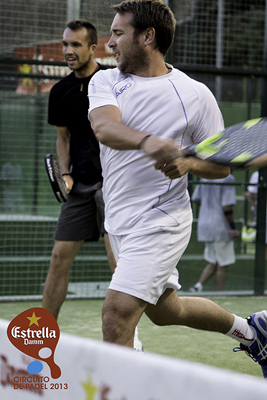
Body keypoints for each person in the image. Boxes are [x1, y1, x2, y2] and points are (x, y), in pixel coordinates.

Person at [88, 0, 267, 378]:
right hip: (119, 220)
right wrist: (149, 141)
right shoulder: (105, 80)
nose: (110, 43)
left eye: (119, 33)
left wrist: (190, 163)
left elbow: (221, 166)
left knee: (116, 314)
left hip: (162, 220)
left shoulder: (195, 94)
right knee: (167, 311)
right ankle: (254, 333)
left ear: (148, 37)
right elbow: (104, 128)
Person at [41, 19, 143, 351]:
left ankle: (131, 340)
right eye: (65, 44)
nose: (68, 51)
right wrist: (66, 174)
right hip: (79, 186)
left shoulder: (114, 82)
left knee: (119, 264)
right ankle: (40, 338)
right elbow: (63, 138)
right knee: (58, 258)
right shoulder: (59, 91)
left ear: (92, 47)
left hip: (114, 186)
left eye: (75, 45)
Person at [189, 175, 239, 292]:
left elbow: (196, 198)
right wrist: (233, 228)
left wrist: (208, 208)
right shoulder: (228, 178)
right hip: (220, 225)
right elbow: (227, 206)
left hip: (204, 224)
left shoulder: (204, 176)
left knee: (213, 260)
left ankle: (198, 286)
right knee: (223, 263)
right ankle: (218, 292)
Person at [244, 170, 267, 256]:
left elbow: (252, 195)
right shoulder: (257, 175)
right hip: (263, 216)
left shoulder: (257, 175)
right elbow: (252, 195)